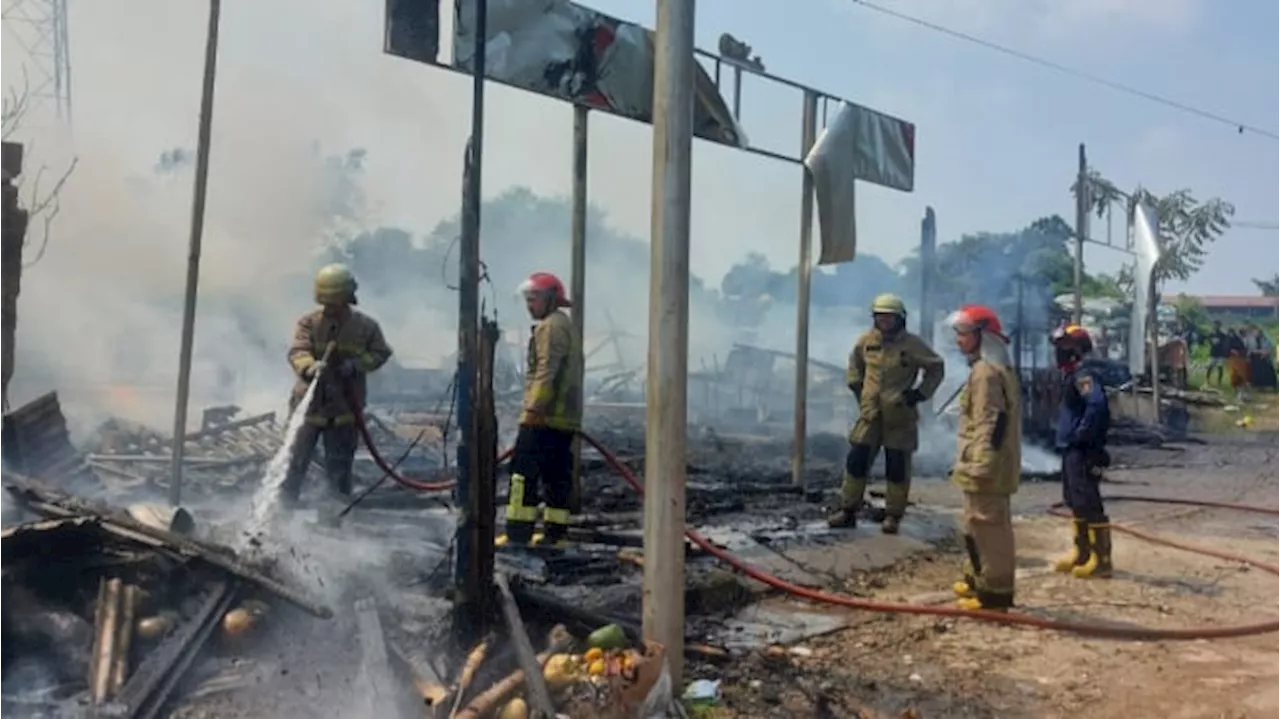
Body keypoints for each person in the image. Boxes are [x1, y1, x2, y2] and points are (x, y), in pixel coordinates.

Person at [830, 293, 945, 534]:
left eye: (889, 318)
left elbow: (936, 367)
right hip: (870, 415)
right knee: (857, 462)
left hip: (899, 416)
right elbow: (854, 367)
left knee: (897, 467)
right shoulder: (866, 342)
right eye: (880, 317)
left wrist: (919, 394)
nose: (884, 322)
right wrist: (859, 391)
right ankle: (848, 510)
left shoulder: (912, 344)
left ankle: (893, 516)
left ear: (900, 319)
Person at [280, 263, 393, 506]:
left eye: (335, 302)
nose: (331, 308)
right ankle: (282, 512)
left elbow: (381, 353)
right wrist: (309, 366)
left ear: (347, 297)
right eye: (327, 302)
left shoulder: (366, 327)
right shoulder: (308, 323)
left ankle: (334, 517)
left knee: (339, 469)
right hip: (308, 409)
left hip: (344, 411)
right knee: (292, 465)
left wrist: (357, 365)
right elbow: (298, 350)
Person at [498, 271, 583, 548]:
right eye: (527, 300)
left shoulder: (550, 327)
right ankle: (554, 536)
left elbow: (546, 371)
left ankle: (517, 535)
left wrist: (533, 409)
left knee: (522, 473)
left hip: (545, 417)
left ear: (550, 299)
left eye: (533, 299)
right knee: (556, 475)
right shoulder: (564, 325)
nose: (529, 306)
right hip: (563, 418)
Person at [946, 305, 1021, 611]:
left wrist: (981, 466)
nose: (958, 340)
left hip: (986, 467)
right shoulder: (991, 369)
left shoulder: (986, 373)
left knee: (989, 528)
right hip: (983, 463)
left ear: (982, 336)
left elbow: (990, 423)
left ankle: (995, 593)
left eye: (964, 334)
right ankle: (979, 579)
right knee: (976, 525)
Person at [1049, 324, 1113, 579]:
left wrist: (1082, 436)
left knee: (1089, 501)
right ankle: (1082, 553)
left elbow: (1096, 406)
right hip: (1071, 448)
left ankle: (1101, 559)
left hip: (1082, 449)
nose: (1059, 353)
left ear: (1077, 350)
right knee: (1075, 500)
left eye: (1064, 348)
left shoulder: (1084, 375)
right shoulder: (1072, 375)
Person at [1206, 320, 1228, 387]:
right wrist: (1212, 343)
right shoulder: (1211, 334)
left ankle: (1219, 382)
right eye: (1215, 325)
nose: (1216, 326)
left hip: (1220, 353)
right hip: (1213, 353)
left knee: (1220, 368)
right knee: (1210, 367)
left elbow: (1225, 343)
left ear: (1220, 326)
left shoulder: (1223, 335)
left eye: (1217, 325)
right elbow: (1209, 341)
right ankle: (1207, 380)